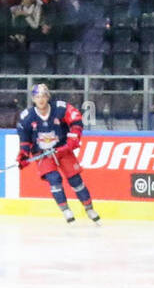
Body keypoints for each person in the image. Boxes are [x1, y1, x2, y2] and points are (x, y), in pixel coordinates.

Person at [17, 84, 99, 224]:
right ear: (33, 99)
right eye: (37, 97)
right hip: (43, 154)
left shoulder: (59, 108)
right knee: (54, 179)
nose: (41, 99)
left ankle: (89, 208)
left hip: (62, 150)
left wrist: (73, 138)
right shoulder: (27, 117)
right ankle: (66, 210)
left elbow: (76, 119)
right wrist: (24, 154)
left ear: (48, 96)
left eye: (43, 96)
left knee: (75, 180)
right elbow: (25, 139)